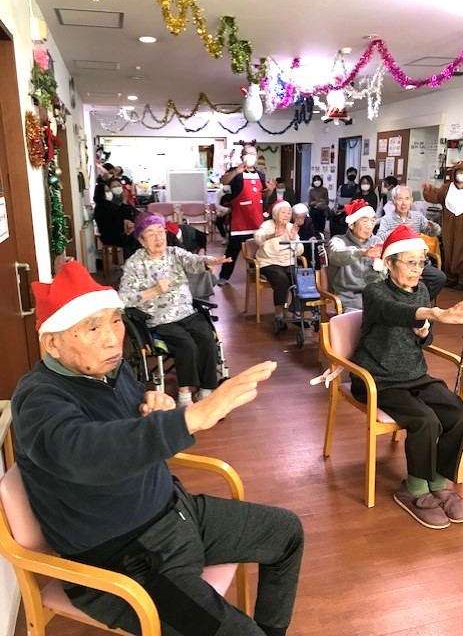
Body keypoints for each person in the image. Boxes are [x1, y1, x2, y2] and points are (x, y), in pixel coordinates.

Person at [11, 260, 303, 636]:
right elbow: (84, 453)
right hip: (126, 559)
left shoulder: (110, 369)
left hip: (176, 512)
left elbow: (130, 418)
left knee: (287, 532)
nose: (112, 339)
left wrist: (153, 402)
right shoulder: (38, 399)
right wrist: (189, 418)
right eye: (93, 328)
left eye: (116, 321)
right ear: (52, 342)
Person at [351, 224, 463, 529]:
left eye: (422, 263)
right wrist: (434, 314)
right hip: (378, 379)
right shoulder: (375, 292)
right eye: (410, 262)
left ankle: (437, 483)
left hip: (415, 375)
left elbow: (423, 337)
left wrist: (424, 332)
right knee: (425, 420)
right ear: (390, 262)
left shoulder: (421, 291)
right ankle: (414, 489)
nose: (417, 270)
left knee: (461, 416)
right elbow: (393, 311)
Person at [119, 213, 228, 406]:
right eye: (151, 234)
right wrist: (153, 291)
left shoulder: (174, 253)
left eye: (160, 232)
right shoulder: (134, 264)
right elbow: (123, 298)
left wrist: (208, 261)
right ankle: (184, 394)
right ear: (142, 241)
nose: (158, 237)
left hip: (187, 312)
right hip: (159, 319)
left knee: (206, 338)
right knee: (186, 344)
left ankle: (206, 390)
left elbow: (193, 261)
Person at [217, 143, 276, 286]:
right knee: (232, 250)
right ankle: (224, 276)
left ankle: (256, 273)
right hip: (239, 220)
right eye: (247, 153)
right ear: (242, 156)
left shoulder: (260, 175)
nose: (250, 156)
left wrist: (270, 189)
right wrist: (236, 172)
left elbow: (264, 194)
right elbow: (223, 180)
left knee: (258, 249)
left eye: (252, 153)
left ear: (256, 156)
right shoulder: (235, 172)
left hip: (256, 220)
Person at [376, 185, 446, 300]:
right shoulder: (387, 219)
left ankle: (420, 302)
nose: (404, 203)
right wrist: (399, 230)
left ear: (411, 200)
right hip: (397, 262)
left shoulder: (417, 216)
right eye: (400, 199)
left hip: (417, 261)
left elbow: (435, 232)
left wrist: (434, 227)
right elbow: (379, 238)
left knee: (439, 278)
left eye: (407, 199)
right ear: (393, 201)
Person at [422, 161, 463, 290]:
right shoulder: (447, 188)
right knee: (448, 250)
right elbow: (435, 196)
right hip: (449, 225)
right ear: (454, 173)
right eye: (459, 172)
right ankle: (450, 277)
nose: (461, 174)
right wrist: (428, 190)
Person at [254, 200, 303, 331]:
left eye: (289, 213)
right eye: (283, 212)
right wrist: (272, 235)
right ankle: (279, 315)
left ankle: (296, 312)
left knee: (299, 279)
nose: (286, 215)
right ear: (276, 213)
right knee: (282, 280)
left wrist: (294, 240)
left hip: (288, 262)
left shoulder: (291, 227)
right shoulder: (267, 225)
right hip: (268, 262)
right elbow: (257, 238)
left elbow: (300, 251)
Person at [327, 199, 383, 312]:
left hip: (376, 297)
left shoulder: (377, 242)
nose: (370, 226)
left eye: (373, 221)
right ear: (352, 224)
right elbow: (336, 255)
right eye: (365, 221)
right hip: (349, 299)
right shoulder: (338, 241)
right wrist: (362, 253)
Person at [93, 179, 140, 259]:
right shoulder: (102, 207)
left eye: (119, 186)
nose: (109, 193)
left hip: (120, 233)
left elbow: (131, 213)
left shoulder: (111, 204)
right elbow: (117, 221)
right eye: (107, 191)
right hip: (112, 236)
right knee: (136, 239)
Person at [331, 167, 359, 237]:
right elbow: (337, 199)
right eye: (350, 174)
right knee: (333, 216)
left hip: (351, 210)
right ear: (347, 175)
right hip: (341, 207)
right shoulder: (342, 187)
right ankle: (334, 237)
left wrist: (346, 209)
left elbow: (356, 202)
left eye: (353, 174)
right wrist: (335, 209)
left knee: (343, 220)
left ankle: (344, 237)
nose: (351, 175)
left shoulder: (357, 188)